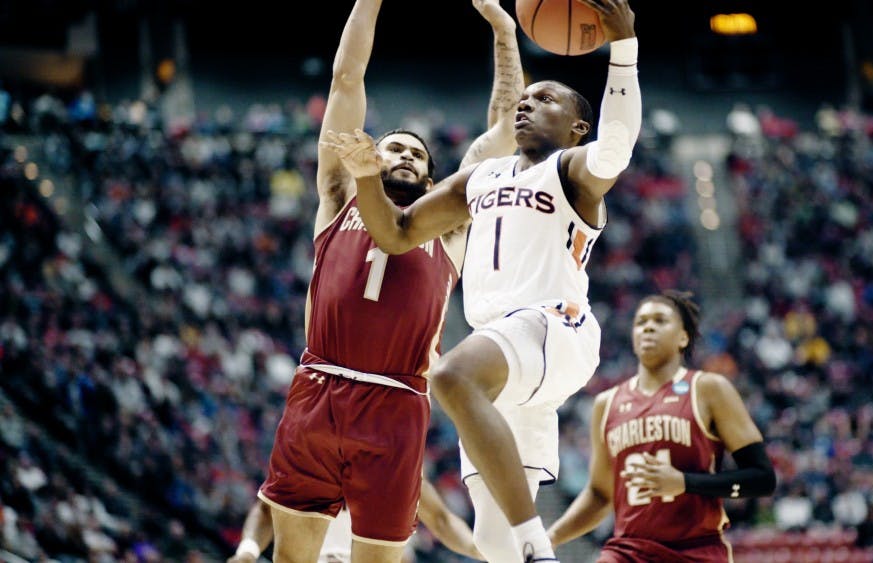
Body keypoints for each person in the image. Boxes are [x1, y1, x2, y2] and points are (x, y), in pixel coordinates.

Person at [325, 2, 639, 560]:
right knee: (493, 546)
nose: (526, 106)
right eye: (524, 100)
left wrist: (624, 48)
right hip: (504, 355)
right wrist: (368, 178)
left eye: (544, 99)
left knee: (449, 377)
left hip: (551, 326)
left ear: (576, 127)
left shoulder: (572, 170)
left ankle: (539, 549)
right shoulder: (481, 177)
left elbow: (616, 147)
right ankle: (523, 546)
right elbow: (397, 233)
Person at [255, 1, 525, 562]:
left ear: (431, 176)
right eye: (393, 147)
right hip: (318, 390)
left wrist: (503, 30)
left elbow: (505, 130)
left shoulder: (448, 222)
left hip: (396, 403)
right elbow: (346, 78)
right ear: (370, 158)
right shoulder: (338, 195)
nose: (404, 154)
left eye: (417, 154)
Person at [546, 290, 777, 561]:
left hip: (696, 549)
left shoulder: (708, 389)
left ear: (683, 337)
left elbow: (762, 479)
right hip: (626, 551)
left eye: (660, 320)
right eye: (641, 322)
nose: (648, 327)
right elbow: (599, 495)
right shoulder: (606, 404)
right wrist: (550, 538)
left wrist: (685, 482)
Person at [229, 478, 483, 562]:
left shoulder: (399, 471)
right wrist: (248, 550)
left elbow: (442, 520)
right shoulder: (314, 454)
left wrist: (484, 550)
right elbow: (265, 509)